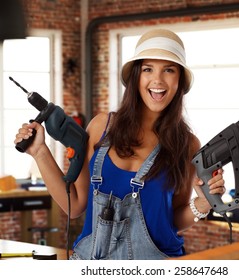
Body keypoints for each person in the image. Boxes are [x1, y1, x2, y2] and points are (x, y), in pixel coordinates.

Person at [14, 28, 226, 260]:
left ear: (179, 81)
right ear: (136, 77)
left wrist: (203, 204)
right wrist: (39, 152)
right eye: (148, 69)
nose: (158, 80)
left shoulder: (187, 144)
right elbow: (74, 205)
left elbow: (172, 219)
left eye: (169, 70)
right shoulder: (101, 127)